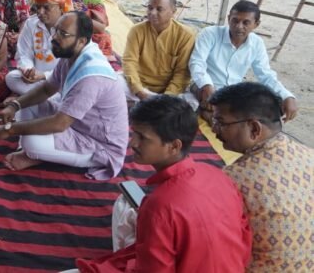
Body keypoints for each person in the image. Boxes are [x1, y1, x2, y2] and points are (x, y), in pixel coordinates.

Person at [74, 95, 252, 272]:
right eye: (134, 133)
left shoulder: (159, 206)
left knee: (123, 207)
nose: (133, 142)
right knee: (127, 206)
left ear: (174, 146)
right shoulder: (217, 175)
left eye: (142, 137)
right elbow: (244, 237)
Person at [0, 11, 128, 180]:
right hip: (75, 123)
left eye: (63, 34)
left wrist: (9, 129)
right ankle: (36, 152)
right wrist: (14, 105)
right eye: (56, 31)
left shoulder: (91, 75)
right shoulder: (71, 55)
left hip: (97, 143)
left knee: (31, 142)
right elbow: (46, 90)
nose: (54, 37)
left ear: (82, 41)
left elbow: (60, 123)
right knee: (26, 104)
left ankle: (33, 154)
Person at [210, 83, 313, 272]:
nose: (214, 129)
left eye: (221, 122)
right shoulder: (309, 155)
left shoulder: (233, 178)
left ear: (254, 128)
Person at [188, 0, 298, 123]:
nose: (239, 26)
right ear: (229, 18)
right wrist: (207, 85)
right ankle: (214, 116)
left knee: (272, 105)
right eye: (235, 20)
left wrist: (287, 95)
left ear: (256, 24)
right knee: (219, 106)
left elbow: (265, 75)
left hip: (233, 92)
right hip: (205, 87)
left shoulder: (257, 43)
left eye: (246, 22)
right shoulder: (210, 34)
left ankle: (214, 115)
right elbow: (197, 63)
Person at [122, 0, 195, 103]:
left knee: (193, 102)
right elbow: (129, 62)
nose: (152, 12)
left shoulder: (185, 35)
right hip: (139, 88)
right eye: (150, 8)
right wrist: (140, 92)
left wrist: (166, 98)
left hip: (170, 92)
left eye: (159, 9)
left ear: (173, 12)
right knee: (114, 85)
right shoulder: (137, 30)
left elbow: (182, 72)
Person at [5, 0, 70, 95]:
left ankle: (36, 98)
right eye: (38, 7)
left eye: (46, 7)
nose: (40, 12)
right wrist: (28, 71)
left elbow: (72, 66)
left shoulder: (71, 26)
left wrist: (44, 76)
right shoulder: (31, 23)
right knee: (11, 78)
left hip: (61, 79)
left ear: (60, 6)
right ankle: (46, 98)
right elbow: (23, 53)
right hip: (35, 80)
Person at [68, 0, 120, 71]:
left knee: (103, 37)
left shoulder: (94, 0)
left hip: (91, 31)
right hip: (70, 29)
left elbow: (101, 27)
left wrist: (83, 14)